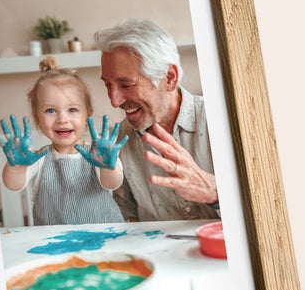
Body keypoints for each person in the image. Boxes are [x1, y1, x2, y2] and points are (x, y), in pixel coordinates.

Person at [94, 18, 220, 222]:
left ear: (169, 77)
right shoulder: (118, 140)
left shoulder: (222, 119)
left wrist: (214, 192)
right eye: (107, 85)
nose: (115, 101)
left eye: (126, 85)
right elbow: (128, 218)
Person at [0, 57, 127, 226]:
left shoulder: (99, 155)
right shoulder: (37, 159)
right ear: (38, 119)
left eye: (72, 110)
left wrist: (109, 166)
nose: (62, 119)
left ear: (88, 115)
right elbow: (13, 184)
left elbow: (112, 183)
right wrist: (17, 166)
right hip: (54, 243)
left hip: (104, 238)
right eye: (50, 110)